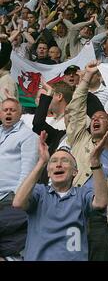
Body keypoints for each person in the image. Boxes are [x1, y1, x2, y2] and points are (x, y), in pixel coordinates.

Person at [65, 61, 108, 261]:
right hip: (72, 213)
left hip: (101, 220)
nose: (95, 119)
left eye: (101, 117)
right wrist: (87, 76)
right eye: (93, 117)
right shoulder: (79, 139)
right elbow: (75, 107)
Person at [12, 130, 108, 261]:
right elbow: (18, 202)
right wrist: (42, 162)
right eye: (53, 161)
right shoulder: (40, 193)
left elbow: (101, 202)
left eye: (65, 161)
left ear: (75, 172)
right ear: (48, 173)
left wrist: (95, 162)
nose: (58, 164)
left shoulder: (82, 194)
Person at [0, 98, 39, 260]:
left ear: (21, 113)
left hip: (11, 198)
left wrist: (19, 197)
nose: (8, 112)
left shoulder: (28, 136)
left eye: (12, 110)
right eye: (5, 110)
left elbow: (28, 170)